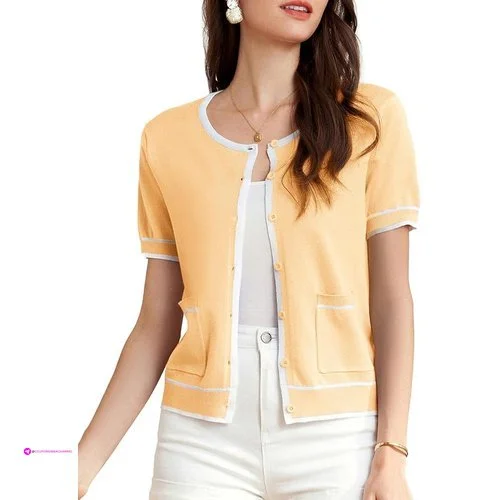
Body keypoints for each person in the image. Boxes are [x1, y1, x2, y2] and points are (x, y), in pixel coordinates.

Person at [78, 1, 420, 499]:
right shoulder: (167, 138)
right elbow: (156, 323)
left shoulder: (369, 120)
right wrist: (79, 467)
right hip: (198, 442)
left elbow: (391, 299)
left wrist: (392, 450)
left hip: (338, 437)